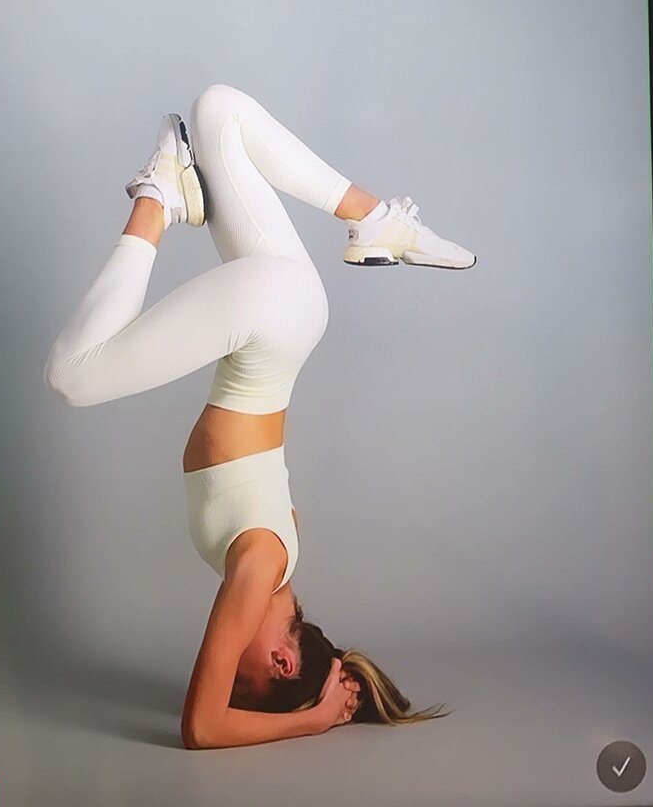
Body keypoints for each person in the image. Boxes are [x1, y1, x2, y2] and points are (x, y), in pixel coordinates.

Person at [43, 83, 474, 749]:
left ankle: (376, 218)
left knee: (219, 112)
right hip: (270, 316)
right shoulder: (258, 567)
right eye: (244, 680)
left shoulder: (283, 549)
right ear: (280, 661)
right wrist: (313, 718)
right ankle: (158, 194)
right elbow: (201, 726)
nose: (228, 658)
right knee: (73, 377)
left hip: (292, 309)